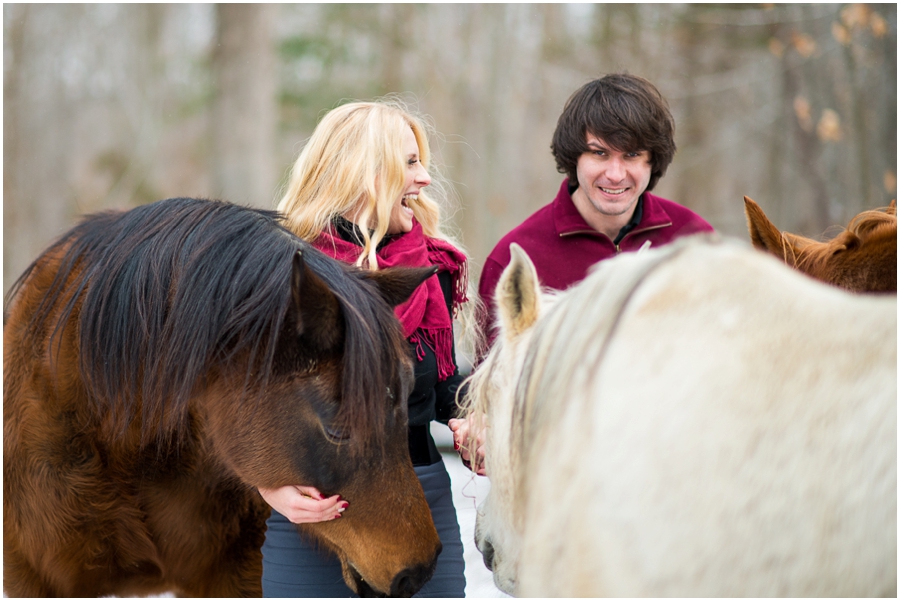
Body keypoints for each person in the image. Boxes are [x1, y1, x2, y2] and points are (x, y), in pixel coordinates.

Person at [449, 73, 714, 473]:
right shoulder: (517, 259)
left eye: (631, 155)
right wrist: (480, 442)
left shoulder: (694, 240)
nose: (615, 174)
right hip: (561, 492)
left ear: (652, 160)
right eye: (600, 154)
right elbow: (494, 405)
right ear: (574, 157)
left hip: (678, 480)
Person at [260, 100, 469, 597]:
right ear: (366, 172)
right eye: (411, 163)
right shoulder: (282, 276)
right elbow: (230, 407)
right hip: (317, 513)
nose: (424, 180)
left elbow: (439, 385)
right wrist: (269, 487)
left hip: (419, 497)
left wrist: (470, 412)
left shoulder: (429, 267)